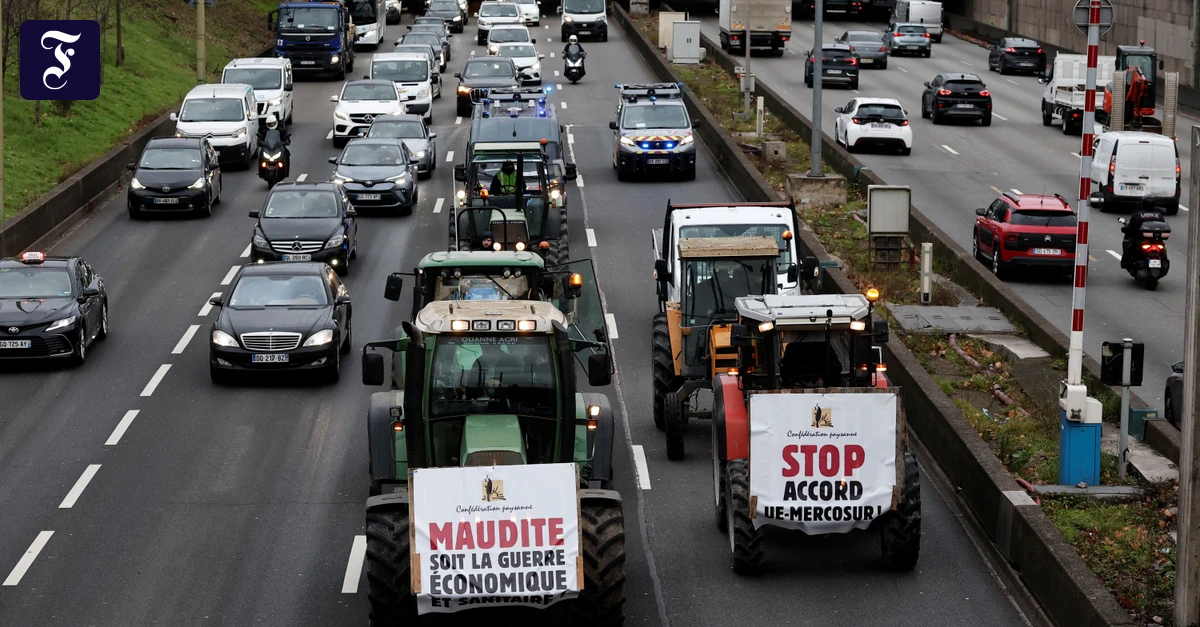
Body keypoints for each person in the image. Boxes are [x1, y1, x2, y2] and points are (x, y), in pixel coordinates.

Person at [1120, 201, 1166, 269]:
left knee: (1129, 244)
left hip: (1141, 240)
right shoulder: (1159, 215)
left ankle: (1126, 263)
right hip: (1156, 240)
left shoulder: (1138, 215)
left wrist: (1124, 229)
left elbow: (1131, 227)